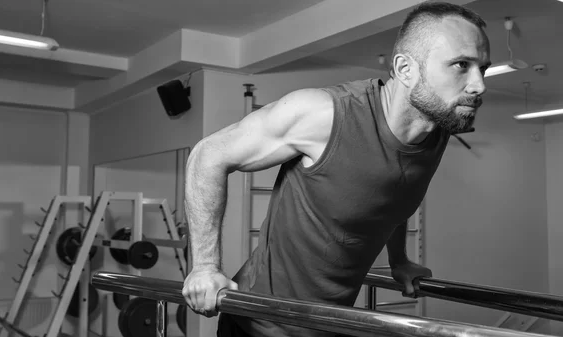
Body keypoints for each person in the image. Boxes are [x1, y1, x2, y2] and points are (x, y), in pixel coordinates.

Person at [182, 1, 491, 336]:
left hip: (328, 324)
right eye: (461, 64)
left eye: (483, 69)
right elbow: (207, 155)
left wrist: (399, 260)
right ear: (405, 69)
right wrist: (204, 268)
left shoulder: (435, 130)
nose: (479, 85)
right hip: (259, 324)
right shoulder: (325, 115)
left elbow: (392, 192)